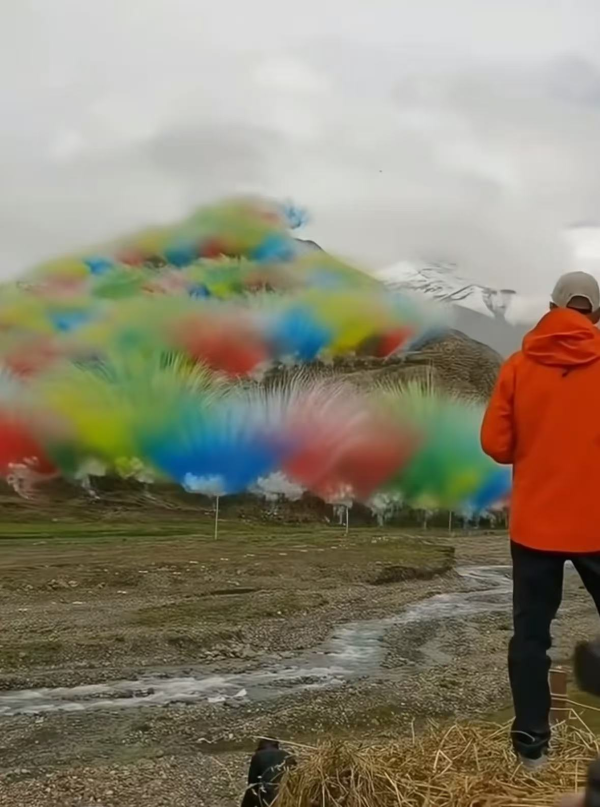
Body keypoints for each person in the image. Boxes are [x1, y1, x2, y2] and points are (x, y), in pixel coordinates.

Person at [481, 271, 600, 769]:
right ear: (596, 315)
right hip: (596, 525)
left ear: (551, 309)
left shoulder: (518, 366)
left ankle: (532, 747)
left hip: (534, 529)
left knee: (532, 636)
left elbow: (495, 444)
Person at [240, 738, 296, 807]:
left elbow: (252, 785)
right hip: (287, 797)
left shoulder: (258, 756)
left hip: (267, 798)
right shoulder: (287, 755)